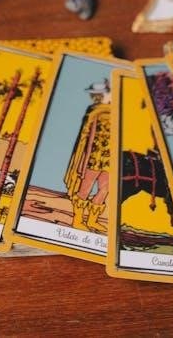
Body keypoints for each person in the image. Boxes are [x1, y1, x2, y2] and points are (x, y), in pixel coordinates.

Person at [64, 79, 111, 233]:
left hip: (111, 158)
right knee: (85, 188)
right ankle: (77, 220)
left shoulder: (117, 111)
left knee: (105, 189)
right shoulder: (94, 110)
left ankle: (92, 220)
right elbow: (85, 135)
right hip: (94, 156)